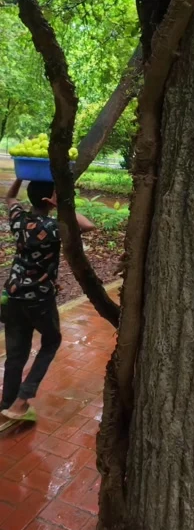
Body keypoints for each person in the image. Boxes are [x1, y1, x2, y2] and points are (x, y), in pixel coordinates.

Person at [0, 178, 95, 424]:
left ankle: (7, 405)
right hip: (39, 299)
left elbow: (10, 198)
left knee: (16, 353)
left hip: (12, 296)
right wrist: (62, 205)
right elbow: (88, 225)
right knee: (51, 341)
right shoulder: (54, 227)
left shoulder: (19, 219)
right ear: (48, 200)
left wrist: (20, 178)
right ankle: (22, 400)